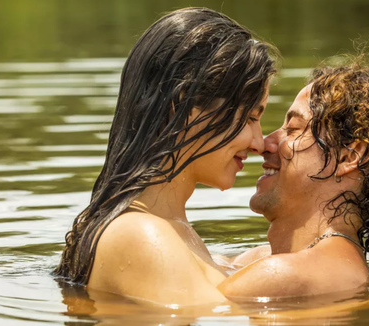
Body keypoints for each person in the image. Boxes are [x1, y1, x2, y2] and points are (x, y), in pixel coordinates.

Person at [54, 7, 278, 306]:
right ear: (183, 107)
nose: (259, 143)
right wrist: (355, 303)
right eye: (250, 117)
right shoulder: (140, 235)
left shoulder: (167, 228)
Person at [219, 61, 369, 298]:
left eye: (294, 128)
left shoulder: (284, 275)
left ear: (348, 157)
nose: (264, 144)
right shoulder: (265, 259)